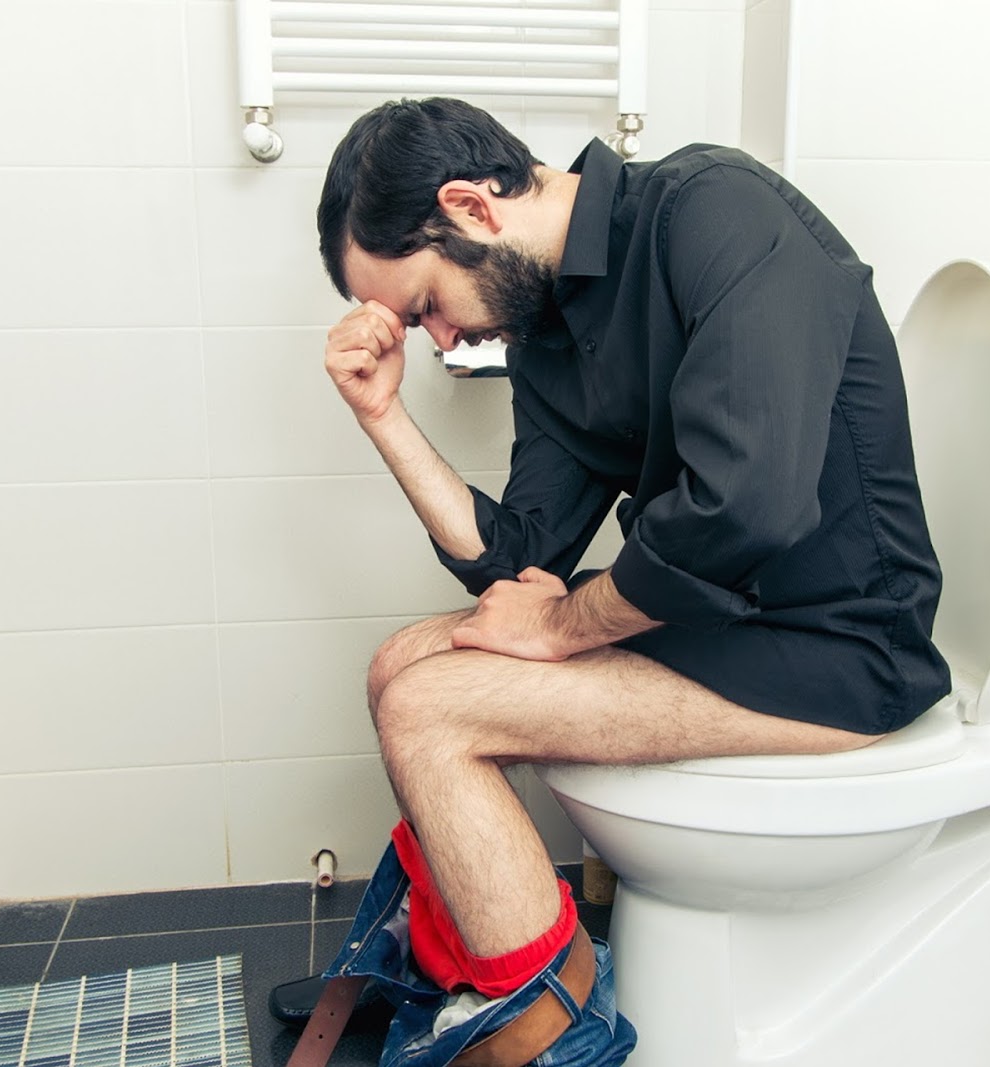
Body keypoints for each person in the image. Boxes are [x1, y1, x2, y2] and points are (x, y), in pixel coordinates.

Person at [295, 96, 952, 1064]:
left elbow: (746, 505)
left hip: (843, 644)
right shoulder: (549, 332)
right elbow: (518, 559)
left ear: (472, 208)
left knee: (430, 712)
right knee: (401, 663)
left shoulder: (717, 213)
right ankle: (476, 986)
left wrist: (564, 626)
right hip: (723, 620)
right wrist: (382, 416)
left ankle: (554, 1037)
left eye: (426, 302)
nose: (438, 339)